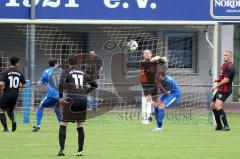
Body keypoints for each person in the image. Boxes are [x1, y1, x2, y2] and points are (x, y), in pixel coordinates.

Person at [57, 54, 98, 156]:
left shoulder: (66, 71)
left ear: (68, 62)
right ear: (78, 62)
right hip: (83, 101)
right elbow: (95, 85)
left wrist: (61, 97)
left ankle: (62, 150)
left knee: (63, 124)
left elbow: (61, 83)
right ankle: (80, 151)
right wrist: (84, 93)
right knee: (80, 125)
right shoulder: (82, 72)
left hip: (71, 100)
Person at [32, 58, 62, 132]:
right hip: (61, 95)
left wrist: (40, 83)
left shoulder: (46, 72)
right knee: (57, 108)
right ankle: (62, 125)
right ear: (55, 64)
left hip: (52, 94)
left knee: (40, 106)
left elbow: (40, 84)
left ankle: (38, 125)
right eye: (57, 63)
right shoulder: (61, 71)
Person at [0, 56, 26, 132]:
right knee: (10, 110)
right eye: (19, 62)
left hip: (6, 94)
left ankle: (5, 129)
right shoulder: (20, 73)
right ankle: (13, 120)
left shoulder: (5, 72)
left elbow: (1, 84)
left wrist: (1, 90)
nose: (19, 63)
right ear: (17, 63)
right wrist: (17, 85)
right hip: (15, 95)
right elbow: (24, 85)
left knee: (1, 110)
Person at [211, 51, 235, 131]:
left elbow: (226, 80)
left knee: (218, 106)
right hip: (221, 89)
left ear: (230, 57)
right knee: (212, 106)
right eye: (224, 55)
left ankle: (226, 126)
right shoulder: (224, 65)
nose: (224, 56)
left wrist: (216, 86)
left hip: (225, 90)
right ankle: (219, 125)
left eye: (226, 55)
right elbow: (222, 77)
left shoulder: (230, 67)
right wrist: (217, 79)